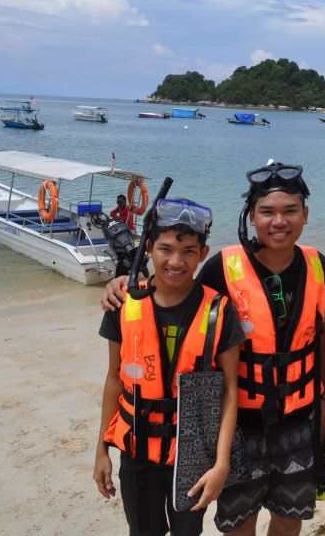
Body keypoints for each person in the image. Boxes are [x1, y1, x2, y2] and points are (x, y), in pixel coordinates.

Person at [103, 162, 325, 536]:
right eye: (267, 211)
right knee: (239, 524)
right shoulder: (222, 268)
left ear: (305, 215)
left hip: (299, 419)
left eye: (290, 211)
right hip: (239, 427)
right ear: (251, 216)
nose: (279, 221)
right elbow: (176, 292)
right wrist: (124, 285)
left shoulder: (318, 266)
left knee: (289, 519)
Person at [94, 198, 244, 536]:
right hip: (137, 451)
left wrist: (221, 465)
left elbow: (229, 391)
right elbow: (114, 378)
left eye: (189, 251)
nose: (176, 261)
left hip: (192, 453)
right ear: (148, 248)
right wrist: (102, 450)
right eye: (165, 249)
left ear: (203, 254)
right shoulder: (123, 303)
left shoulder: (219, 311)